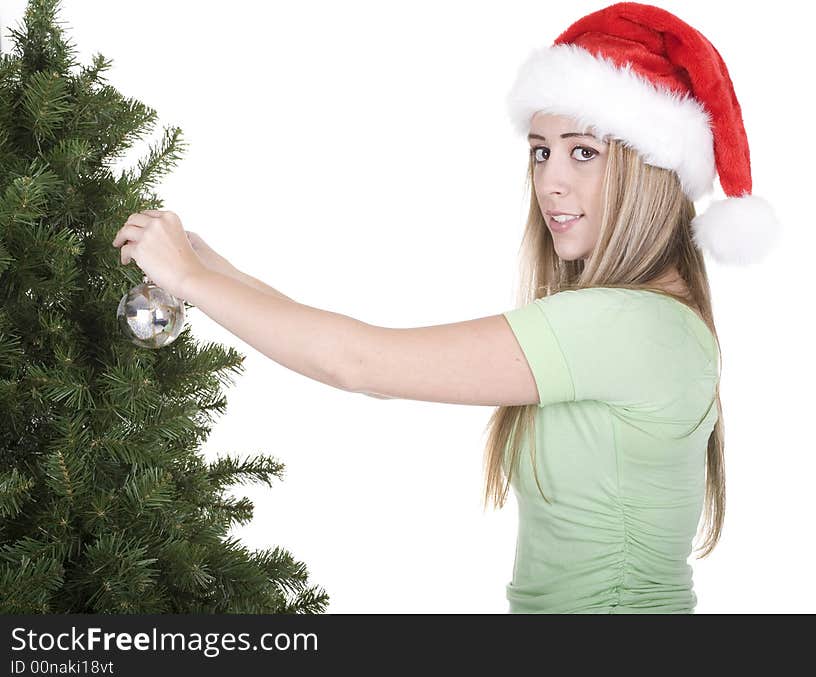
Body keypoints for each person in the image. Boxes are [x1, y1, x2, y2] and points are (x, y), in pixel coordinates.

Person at [111, 2, 780, 613]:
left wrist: (194, 282)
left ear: (650, 170)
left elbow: (361, 362)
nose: (551, 180)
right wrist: (213, 270)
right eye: (541, 151)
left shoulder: (624, 325)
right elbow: (359, 355)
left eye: (584, 152)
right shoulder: (653, 318)